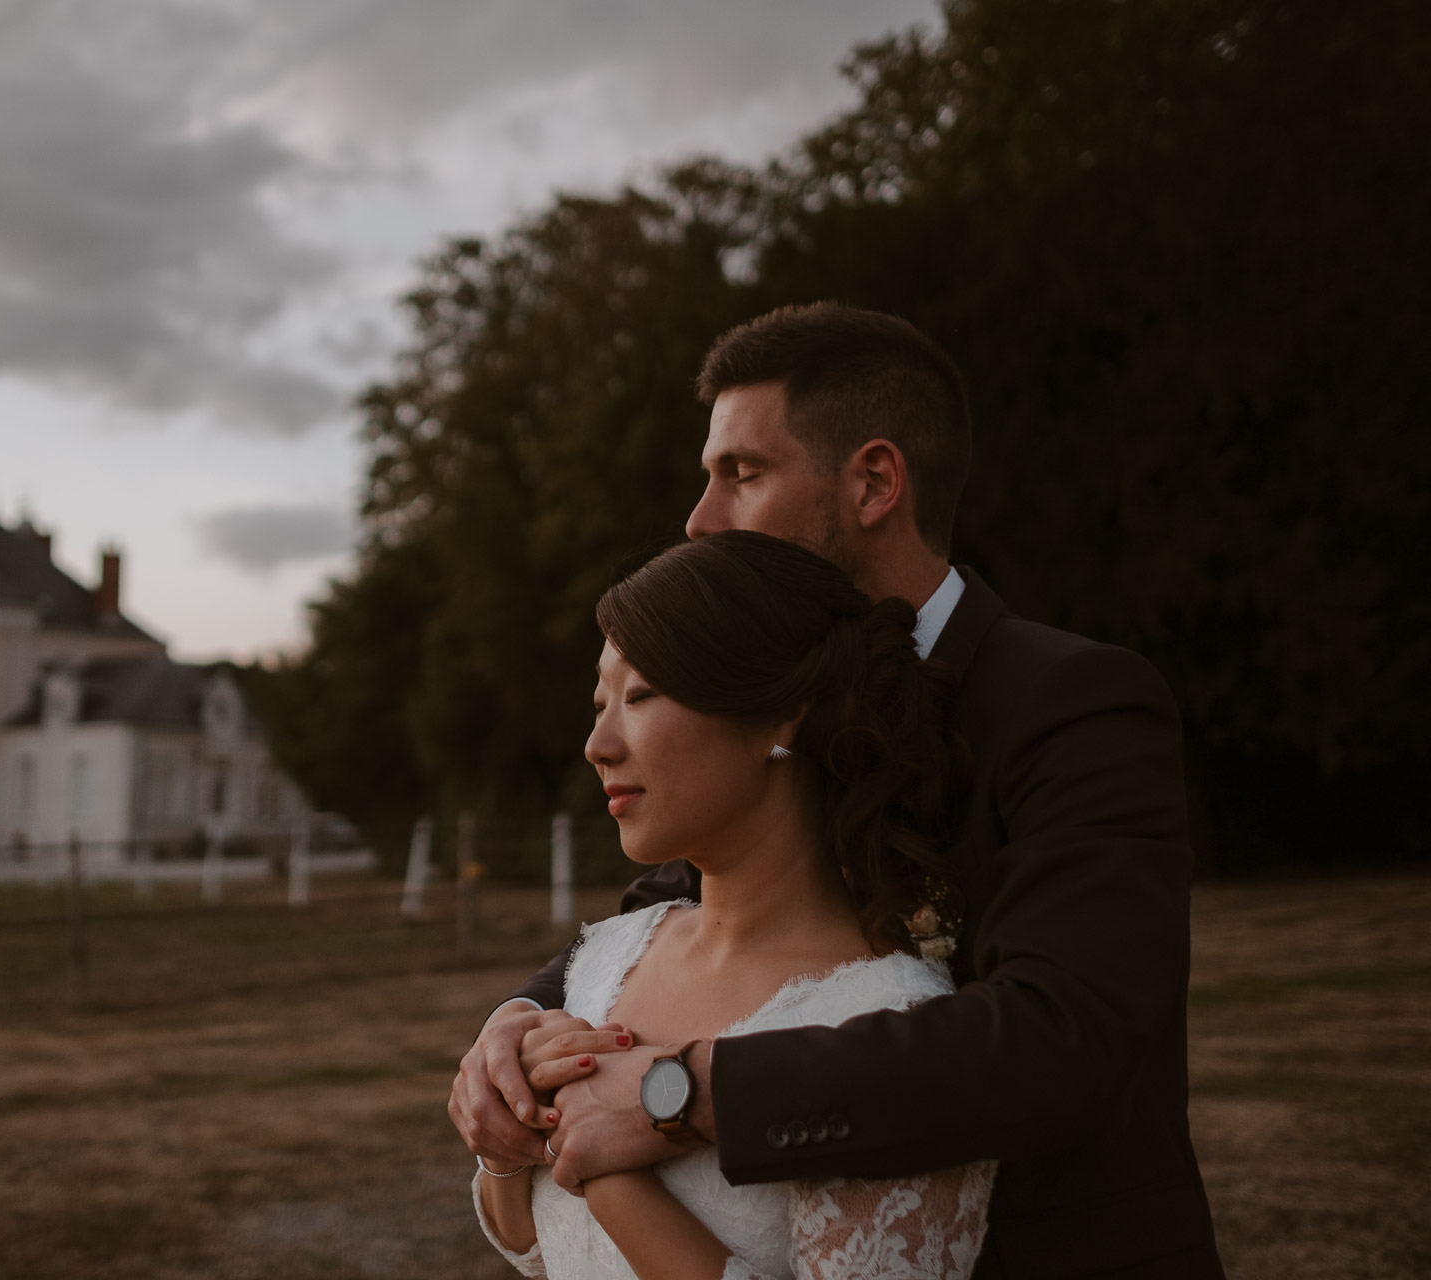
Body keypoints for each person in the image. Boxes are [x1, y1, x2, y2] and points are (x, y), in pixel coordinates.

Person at [449, 303, 1223, 1278]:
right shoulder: (765, 717)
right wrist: (511, 1029)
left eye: (741, 472)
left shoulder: (1071, 700)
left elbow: (1063, 1033)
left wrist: (672, 1091)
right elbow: (679, 910)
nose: (698, 518)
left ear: (871, 481)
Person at [474, 530, 995, 1278]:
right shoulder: (615, 954)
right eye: (600, 703)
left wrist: (602, 1169)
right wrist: (505, 1143)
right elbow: (534, 1246)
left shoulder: (889, 1028)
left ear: (781, 715)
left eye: (642, 695)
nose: (597, 742)